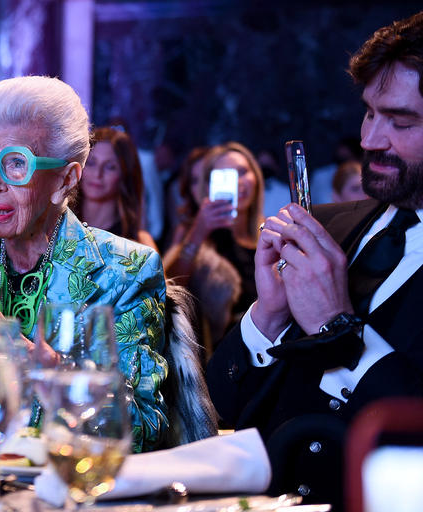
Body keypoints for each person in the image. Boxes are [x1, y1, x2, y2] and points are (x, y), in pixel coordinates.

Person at [207, 11, 423, 508]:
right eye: (369, 113)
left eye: (400, 121)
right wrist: (267, 317)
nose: (370, 139)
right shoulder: (326, 227)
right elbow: (218, 410)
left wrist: (337, 328)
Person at [0, 76, 169, 453]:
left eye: (16, 164)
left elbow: (143, 431)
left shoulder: (125, 272)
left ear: (65, 179)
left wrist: (29, 357)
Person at [164, 142, 264, 346]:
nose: (238, 182)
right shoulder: (196, 234)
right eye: (226, 176)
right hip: (221, 352)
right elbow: (169, 291)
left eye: (243, 172)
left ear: (256, 177)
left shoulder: (269, 231)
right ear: (208, 187)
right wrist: (198, 233)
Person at [77, 126, 158, 250]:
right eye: (91, 163)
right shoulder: (57, 224)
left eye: (110, 167)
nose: (98, 174)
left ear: (125, 175)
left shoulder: (138, 245)